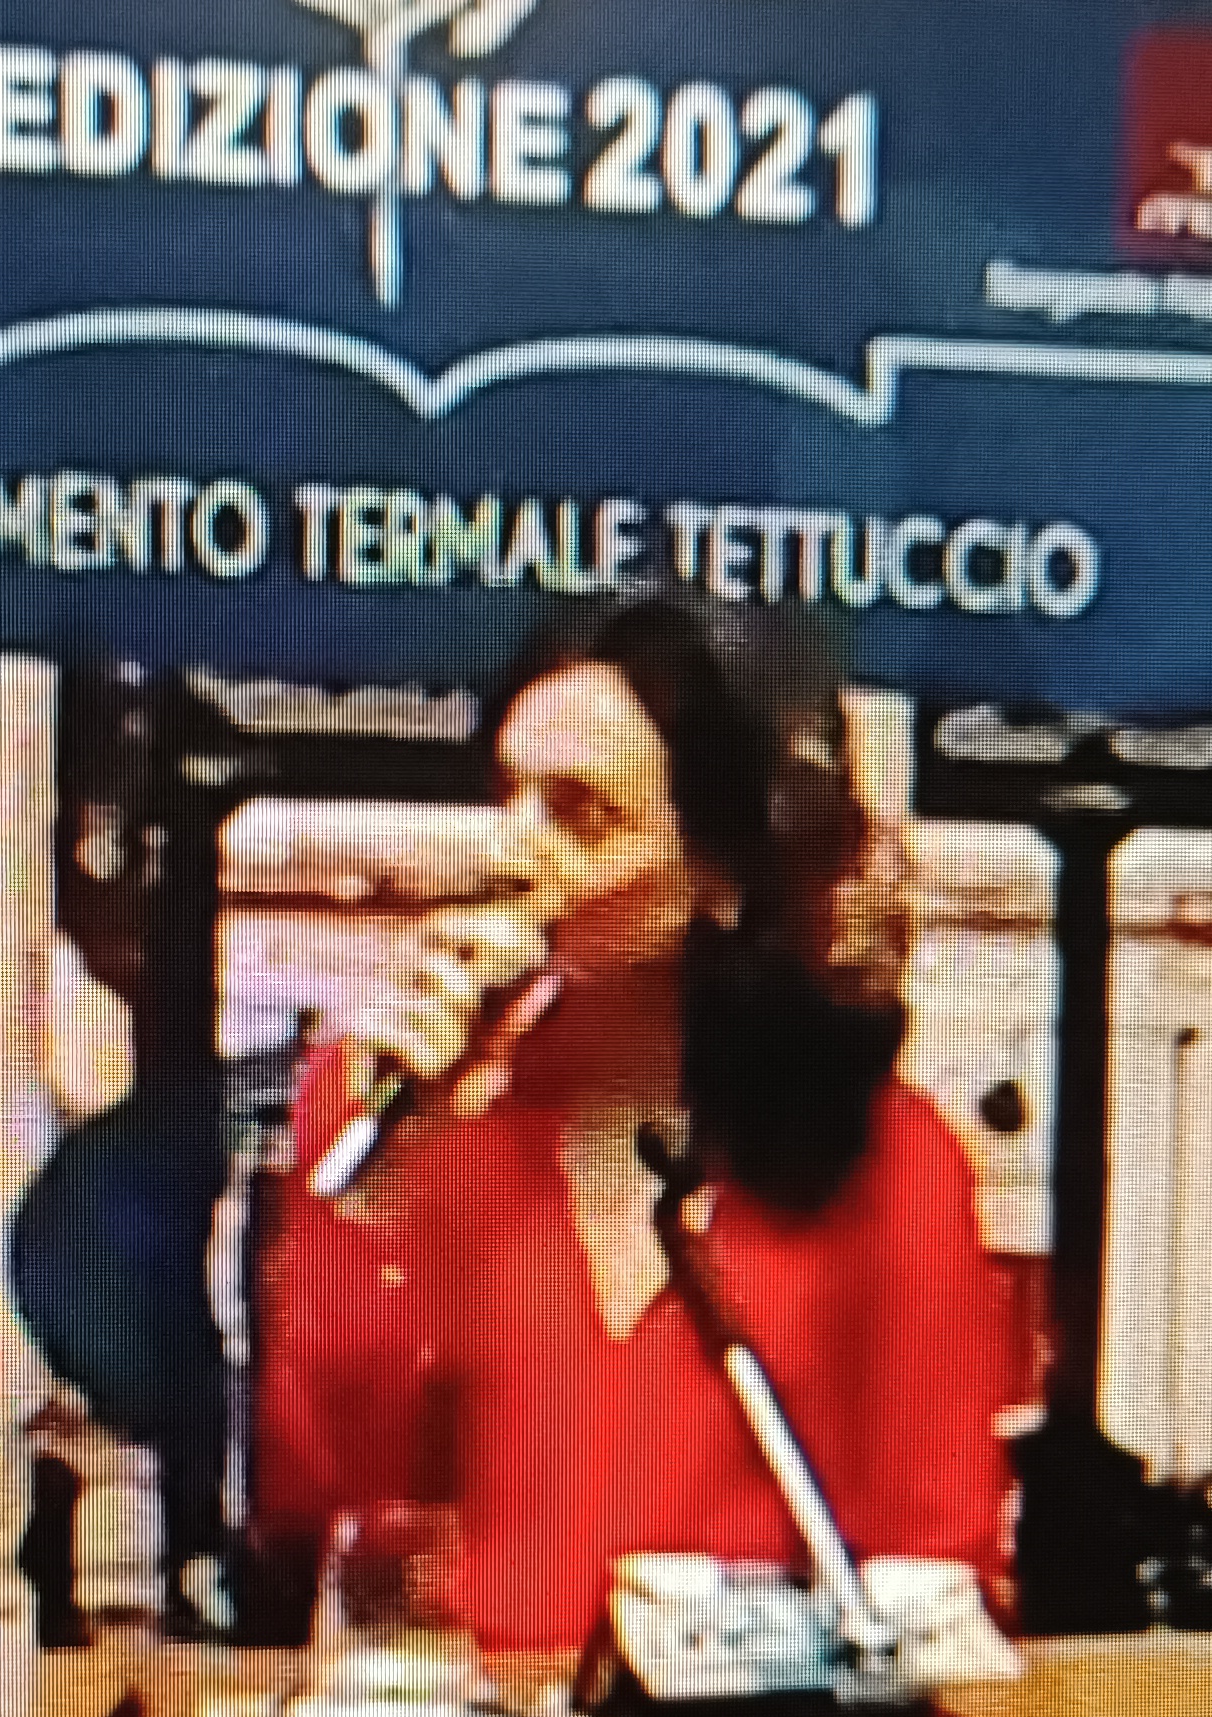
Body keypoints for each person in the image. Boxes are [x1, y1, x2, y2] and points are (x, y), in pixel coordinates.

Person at [254, 599, 1019, 1651]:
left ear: (722, 872)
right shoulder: (392, 1108)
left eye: (581, 815)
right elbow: (316, 1499)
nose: (510, 852)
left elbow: (937, 1564)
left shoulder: (893, 1161)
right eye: (507, 794)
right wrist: (378, 1188)